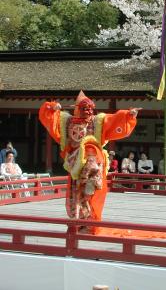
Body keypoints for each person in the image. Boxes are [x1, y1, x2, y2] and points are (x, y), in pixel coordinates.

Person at [39, 90, 140, 234]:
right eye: (85, 108)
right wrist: (52, 107)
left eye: (90, 109)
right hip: (75, 160)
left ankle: (89, 217)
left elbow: (113, 119)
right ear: (77, 109)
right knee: (77, 193)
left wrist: (128, 115)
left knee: (89, 186)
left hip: (92, 159)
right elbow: (50, 117)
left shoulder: (97, 121)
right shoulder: (67, 121)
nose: (88, 111)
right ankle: (79, 222)